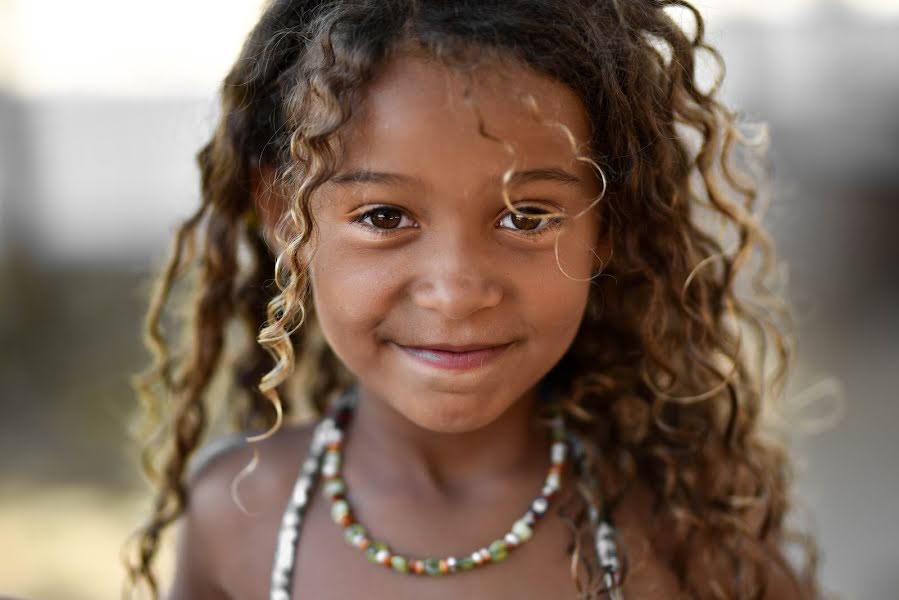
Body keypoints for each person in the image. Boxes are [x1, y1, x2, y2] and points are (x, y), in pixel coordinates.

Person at [123, 1, 823, 598]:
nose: (455, 291)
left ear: (606, 227)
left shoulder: (684, 536)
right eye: (383, 217)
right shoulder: (238, 514)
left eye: (526, 218)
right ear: (286, 217)